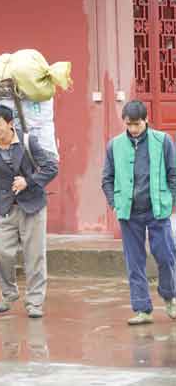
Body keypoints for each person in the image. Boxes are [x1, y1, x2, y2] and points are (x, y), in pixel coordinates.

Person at [0, 104, 58, 318]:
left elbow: (50, 167)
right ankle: (9, 292)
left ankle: (35, 301)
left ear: (10, 124)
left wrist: (28, 181)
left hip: (32, 207)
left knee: (34, 256)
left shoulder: (28, 142)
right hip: (5, 208)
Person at [102, 99, 176, 325]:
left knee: (165, 256)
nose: (133, 129)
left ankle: (170, 297)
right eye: (128, 124)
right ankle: (142, 308)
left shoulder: (163, 141)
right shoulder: (114, 145)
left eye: (137, 124)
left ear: (146, 120)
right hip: (129, 212)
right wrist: (114, 202)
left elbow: (173, 174)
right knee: (134, 261)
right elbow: (107, 178)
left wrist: (169, 200)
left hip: (157, 209)